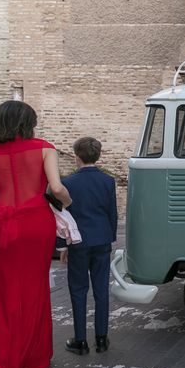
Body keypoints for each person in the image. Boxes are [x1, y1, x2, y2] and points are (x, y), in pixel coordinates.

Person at [0, 100, 72, 368]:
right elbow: (57, 188)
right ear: (28, 122)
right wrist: (68, 205)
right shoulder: (44, 147)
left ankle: (2, 357)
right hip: (35, 223)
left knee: (2, 294)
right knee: (34, 289)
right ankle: (32, 358)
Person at [59, 137, 117, 355]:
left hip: (78, 242)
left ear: (76, 156)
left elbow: (62, 217)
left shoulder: (68, 183)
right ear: (98, 155)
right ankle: (102, 339)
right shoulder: (108, 181)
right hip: (102, 239)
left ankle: (80, 341)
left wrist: (62, 247)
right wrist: (109, 237)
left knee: (78, 289)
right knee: (101, 289)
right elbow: (112, 213)